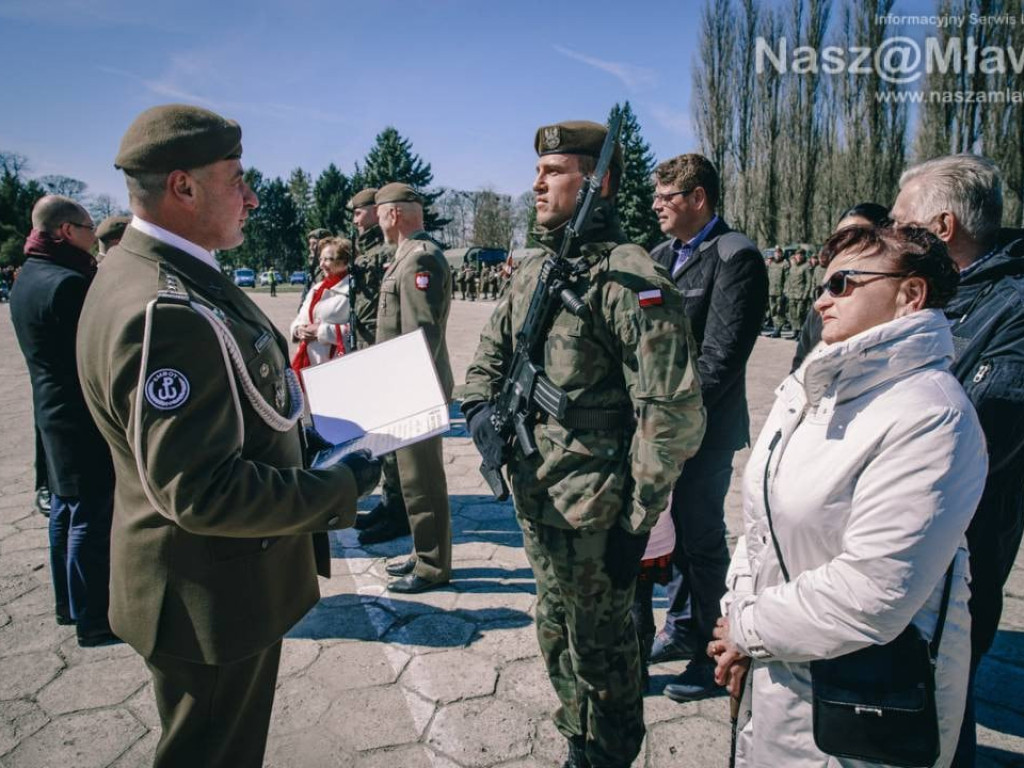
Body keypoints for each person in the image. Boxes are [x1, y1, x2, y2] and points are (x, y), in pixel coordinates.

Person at [75, 104, 381, 768]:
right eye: (236, 177)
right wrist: (336, 486)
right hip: (207, 594)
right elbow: (202, 491)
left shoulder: (157, 272)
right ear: (183, 187)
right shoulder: (167, 310)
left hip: (204, 582)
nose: (253, 195)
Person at [462, 120, 705, 768]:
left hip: (597, 510)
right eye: (537, 171)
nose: (537, 182)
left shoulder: (629, 277)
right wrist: (483, 411)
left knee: (603, 650)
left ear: (597, 184)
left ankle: (610, 753)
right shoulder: (535, 269)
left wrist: (638, 520)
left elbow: (671, 408)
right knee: (553, 630)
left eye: (554, 172)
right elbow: (488, 357)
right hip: (538, 495)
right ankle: (577, 737)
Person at [712, 223, 986, 768]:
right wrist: (737, 617)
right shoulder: (816, 387)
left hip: (864, 708)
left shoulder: (931, 415)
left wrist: (747, 626)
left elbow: (872, 594)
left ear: (911, 295)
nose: (820, 299)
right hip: (780, 674)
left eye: (843, 283)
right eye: (823, 283)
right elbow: (762, 524)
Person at [890, 154, 1024, 767]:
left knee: (942, 713)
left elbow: (977, 436)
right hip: (895, 537)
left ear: (941, 228)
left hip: (958, 553)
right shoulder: (927, 296)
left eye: (901, 221)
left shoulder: (1014, 311)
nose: (890, 234)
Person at [647, 153, 768, 702]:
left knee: (699, 537)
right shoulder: (658, 256)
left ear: (698, 199)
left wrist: (672, 420)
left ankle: (710, 653)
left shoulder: (734, 256)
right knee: (667, 537)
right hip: (659, 427)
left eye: (666, 198)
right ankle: (679, 626)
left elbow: (722, 356)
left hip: (704, 428)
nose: (656, 206)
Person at [10, 195, 117, 646]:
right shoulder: (67, 284)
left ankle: (67, 606)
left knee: (64, 508)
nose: (94, 238)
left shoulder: (28, 276)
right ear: (67, 231)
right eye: (90, 229)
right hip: (77, 413)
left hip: (50, 412)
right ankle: (94, 618)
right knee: (91, 513)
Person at [373, 182, 454, 594]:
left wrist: (406, 389)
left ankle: (433, 564)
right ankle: (424, 551)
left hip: (415, 385)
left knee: (423, 480)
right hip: (404, 384)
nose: (376, 220)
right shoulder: (405, 258)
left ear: (394, 214)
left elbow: (422, 334)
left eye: (379, 212)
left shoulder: (420, 259)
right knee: (410, 480)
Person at [347, 187, 410, 546]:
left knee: (392, 440)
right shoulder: (365, 248)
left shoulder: (388, 249)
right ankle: (390, 503)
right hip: (368, 349)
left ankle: (400, 511)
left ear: (377, 210)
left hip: (383, 351)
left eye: (360, 213)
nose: (356, 220)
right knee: (379, 439)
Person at [791, 202, 891, 371]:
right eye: (838, 239)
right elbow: (799, 369)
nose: (845, 247)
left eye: (858, 237)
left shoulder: (898, 310)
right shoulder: (821, 310)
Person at [289, 237, 353, 372]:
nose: (321, 265)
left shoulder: (352, 291)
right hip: (308, 365)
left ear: (345, 261)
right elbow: (300, 318)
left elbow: (357, 333)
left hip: (337, 368)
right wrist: (298, 330)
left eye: (328, 259)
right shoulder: (316, 288)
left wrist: (320, 331)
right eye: (321, 259)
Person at [782, 247, 813, 339]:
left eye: (801, 255)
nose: (799, 256)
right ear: (795, 256)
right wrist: (786, 291)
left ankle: (802, 333)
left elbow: (809, 282)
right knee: (793, 314)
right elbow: (788, 280)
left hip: (801, 295)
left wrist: (806, 294)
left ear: (803, 256)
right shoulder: (793, 266)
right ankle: (795, 331)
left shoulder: (806, 266)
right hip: (792, 294)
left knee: (801, 314)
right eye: (797, 255)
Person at [765, 245, 788, 336]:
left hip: (780, 292)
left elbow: (787, 279)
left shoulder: (785, 264)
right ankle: (775, 328)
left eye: (779, 253)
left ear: (782, 254)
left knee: (780, 311)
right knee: (773, 311)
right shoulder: (772, 264)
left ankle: (778, 329)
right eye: (776, 253)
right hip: (771, 291)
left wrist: (785, 292)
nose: (777, 255)